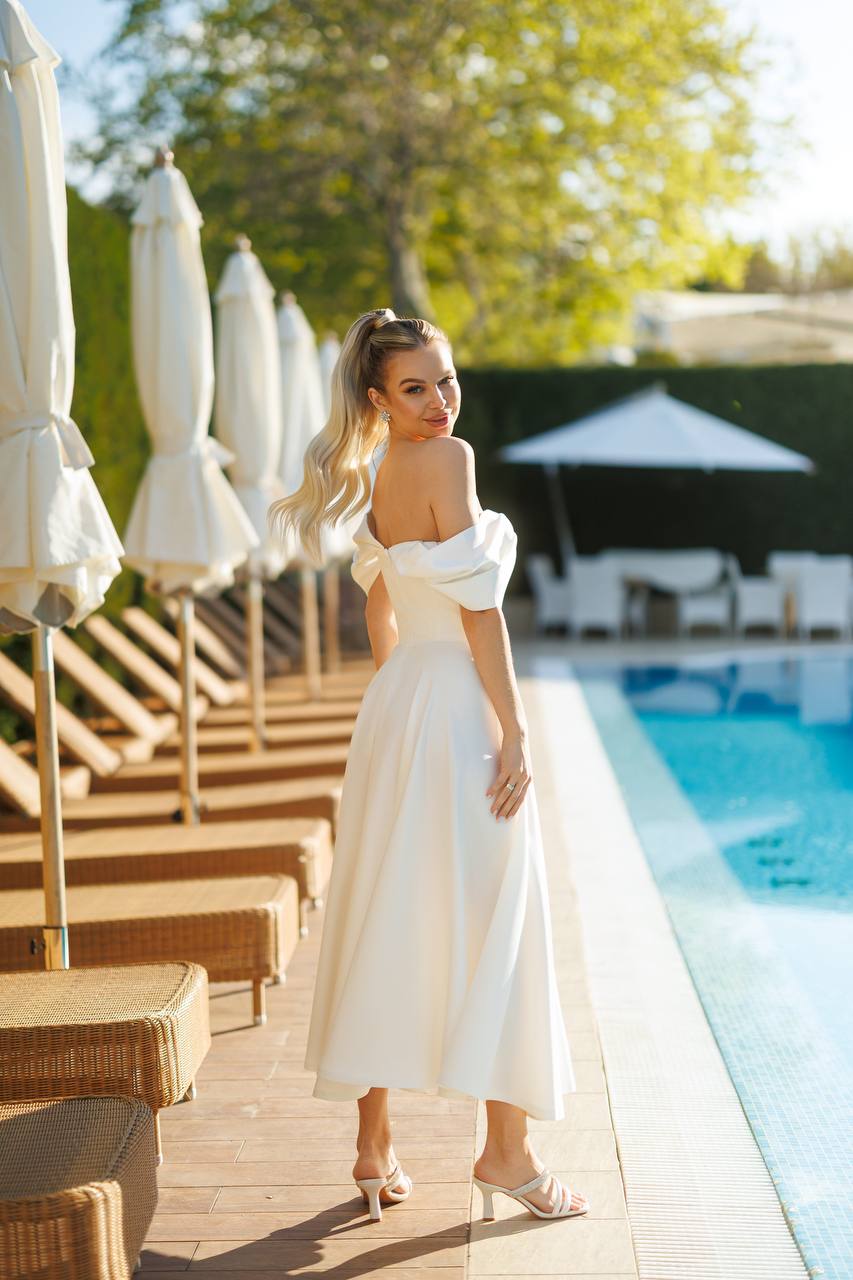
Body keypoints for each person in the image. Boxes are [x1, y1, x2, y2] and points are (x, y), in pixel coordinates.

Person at [269, 308, 588, 1223]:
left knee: (386, 908)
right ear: (378, 396)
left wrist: (397, 704)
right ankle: (506, 1155)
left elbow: (378, 604)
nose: (440, 402)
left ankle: (373, 1149)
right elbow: (482, 617)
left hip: (399, 707)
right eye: (415, 387)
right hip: (452, 705)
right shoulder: (450, 463)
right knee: (499, 917)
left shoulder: (371, 471)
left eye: (445, 380)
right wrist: (513, 729)